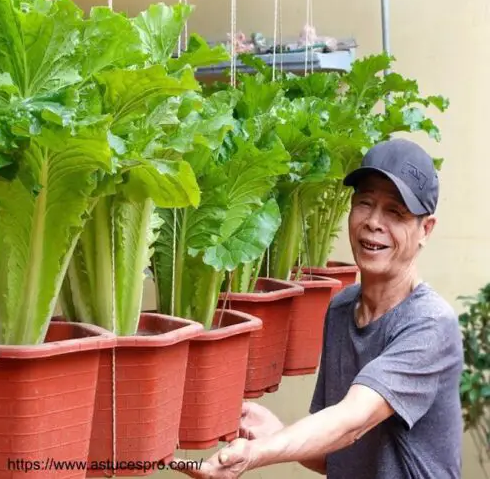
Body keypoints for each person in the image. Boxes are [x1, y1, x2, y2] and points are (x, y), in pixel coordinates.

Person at [177, 137, 463, 478]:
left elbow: (351, 422)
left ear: (425, 230)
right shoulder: (342, 308)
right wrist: (275, 431)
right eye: (365, 203)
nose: (373, 221)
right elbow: (335, 454)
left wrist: (258, 453)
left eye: (395, 212)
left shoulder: (430, 324)